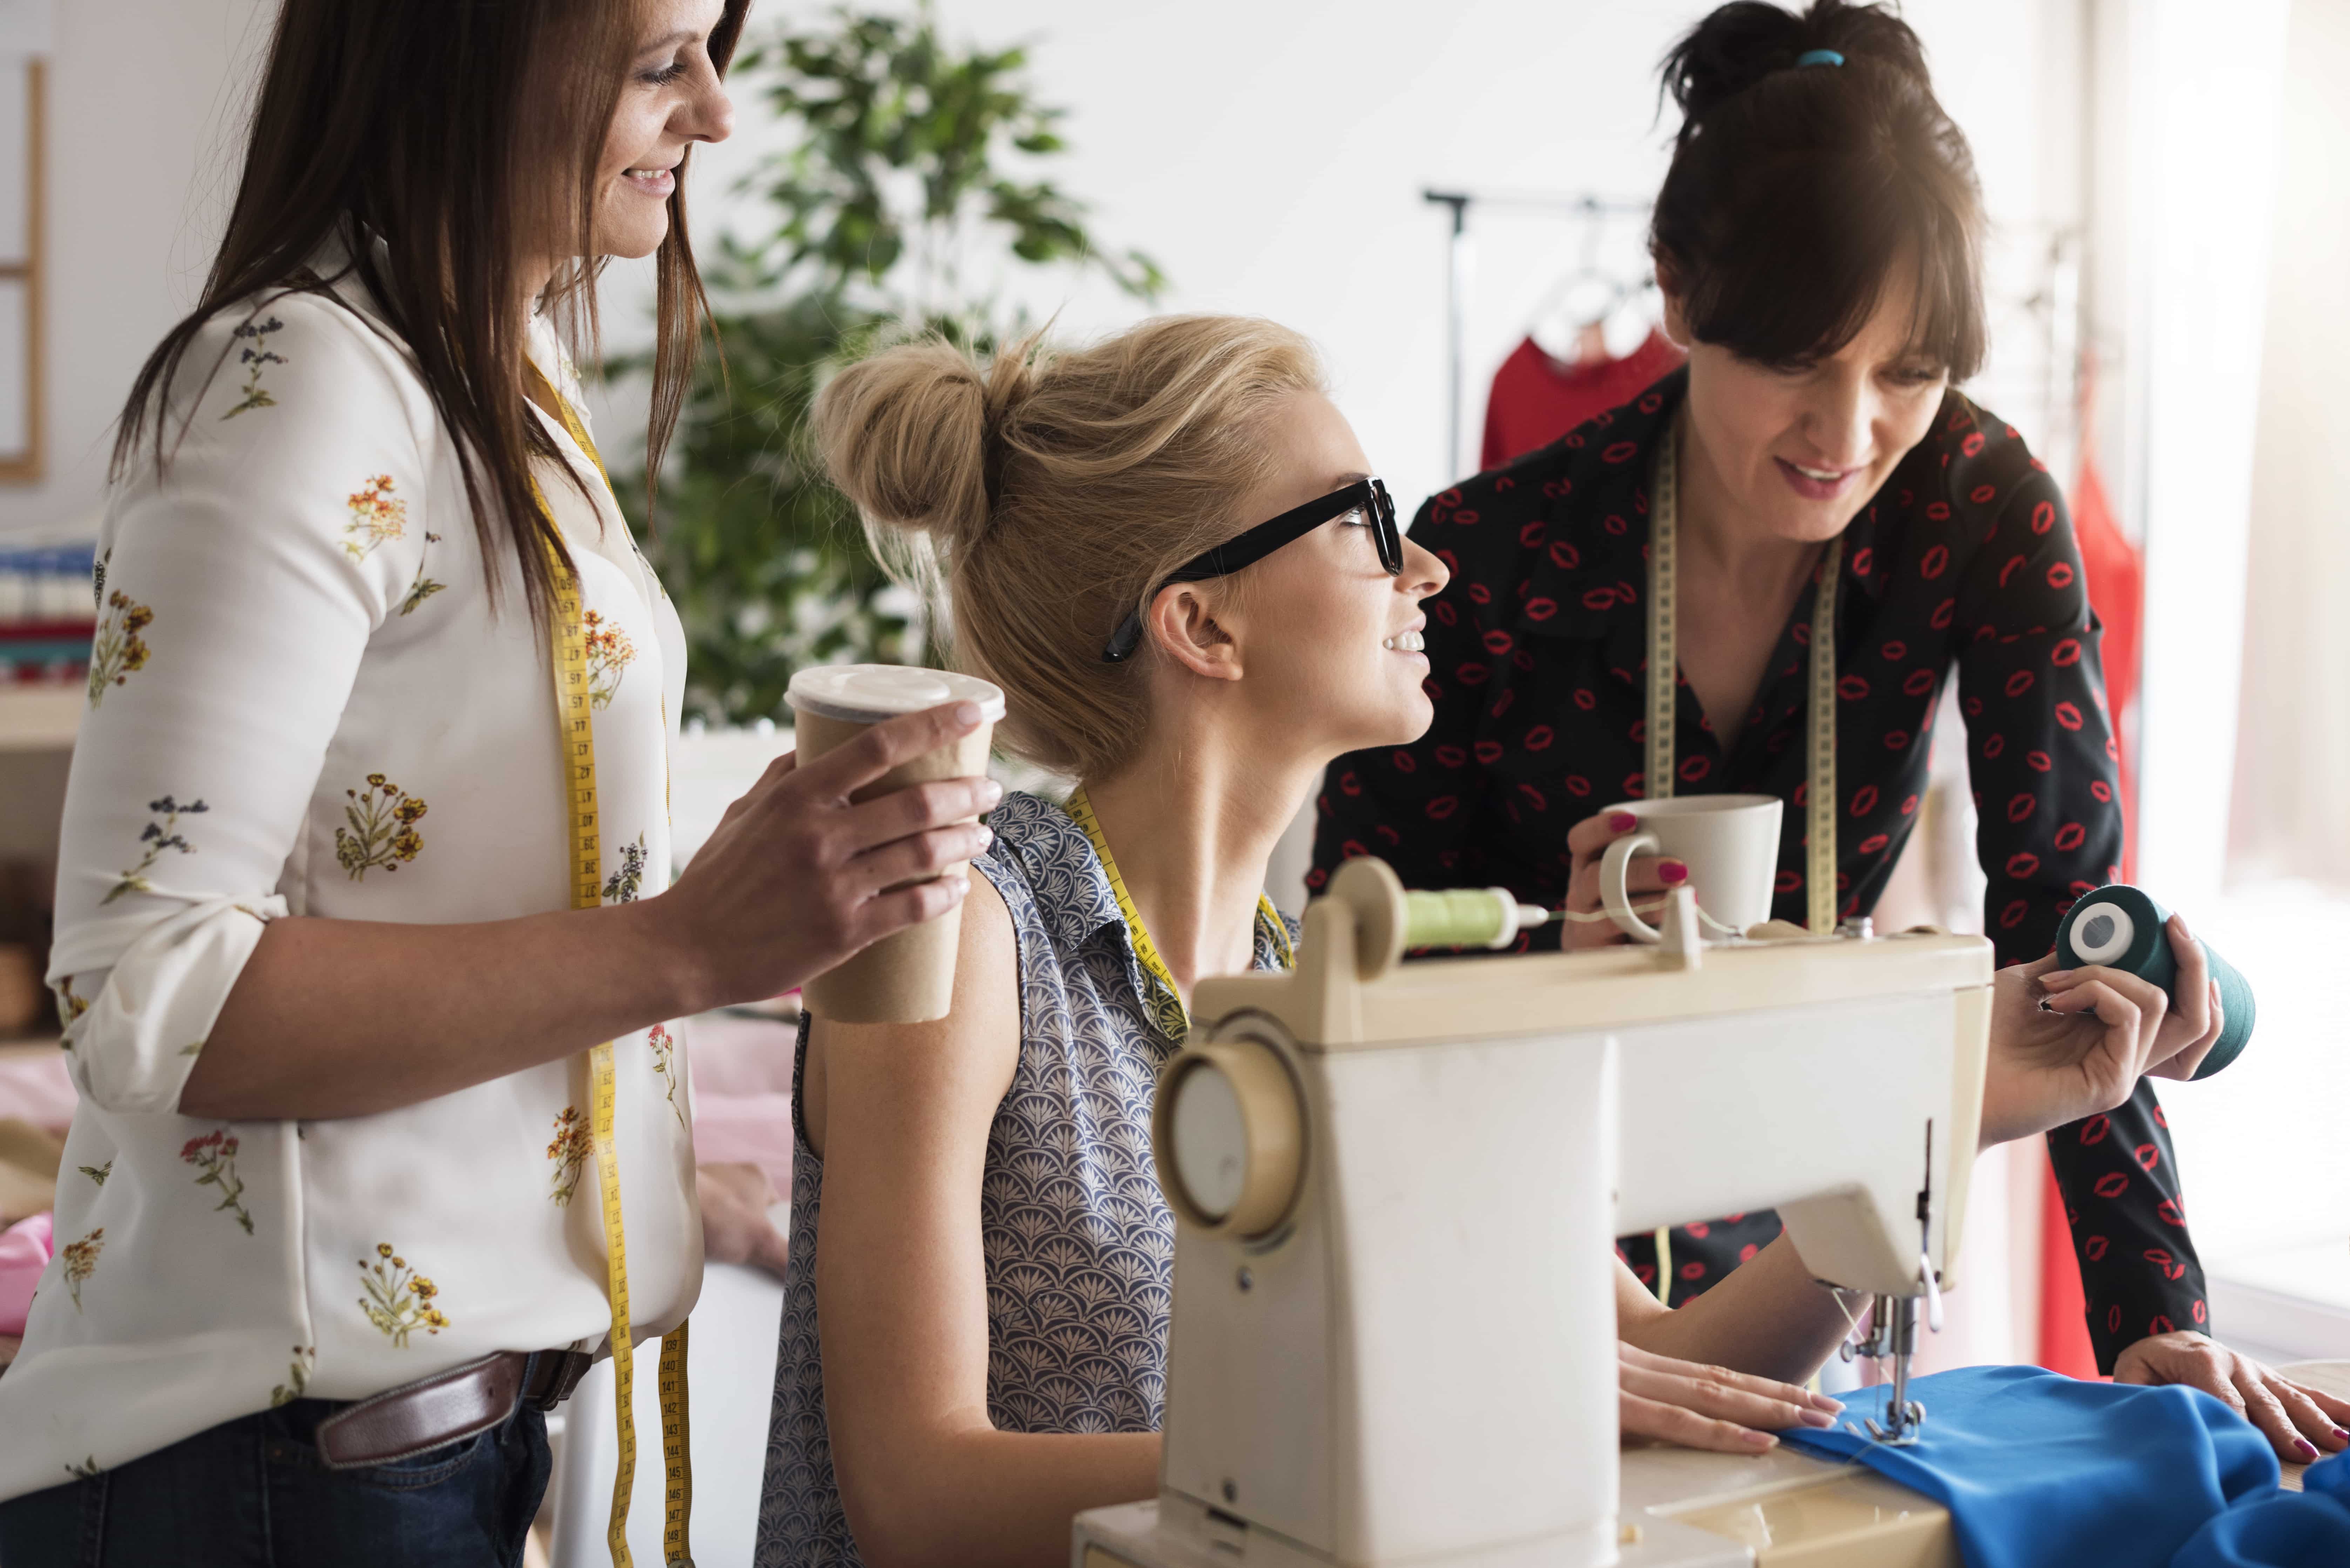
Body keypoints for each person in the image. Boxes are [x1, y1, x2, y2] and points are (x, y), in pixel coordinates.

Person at [756, 314, 2229, 1568]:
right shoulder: (961, 933)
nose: (1430, 572)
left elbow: (1672, 1367)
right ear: (1201, 623)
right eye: (1366, 526)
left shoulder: (1330, 988)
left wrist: (1933, 1130)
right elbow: (919, 1499)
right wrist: (1463, 1420)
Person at [0, 3, 999, 1562]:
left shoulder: (496, 376)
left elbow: (457, 895)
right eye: (665, 60)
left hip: (416, 1463)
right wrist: (689, 944)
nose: (717, 116)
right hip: (270, 1485)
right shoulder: (299, 381)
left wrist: (649, 1196)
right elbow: (151, 991)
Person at [1309, 0, 2350, 1465]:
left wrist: (2145, 1317)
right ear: (1673, 293)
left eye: (1907, 374)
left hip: (1788, 1225)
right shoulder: (1489, 552)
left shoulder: (1980, 508)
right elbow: (1351, 970)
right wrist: (1560, 960)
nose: (1846, 432)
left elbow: (2065, 937)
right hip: (1485, 1205)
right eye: (1798, 360)